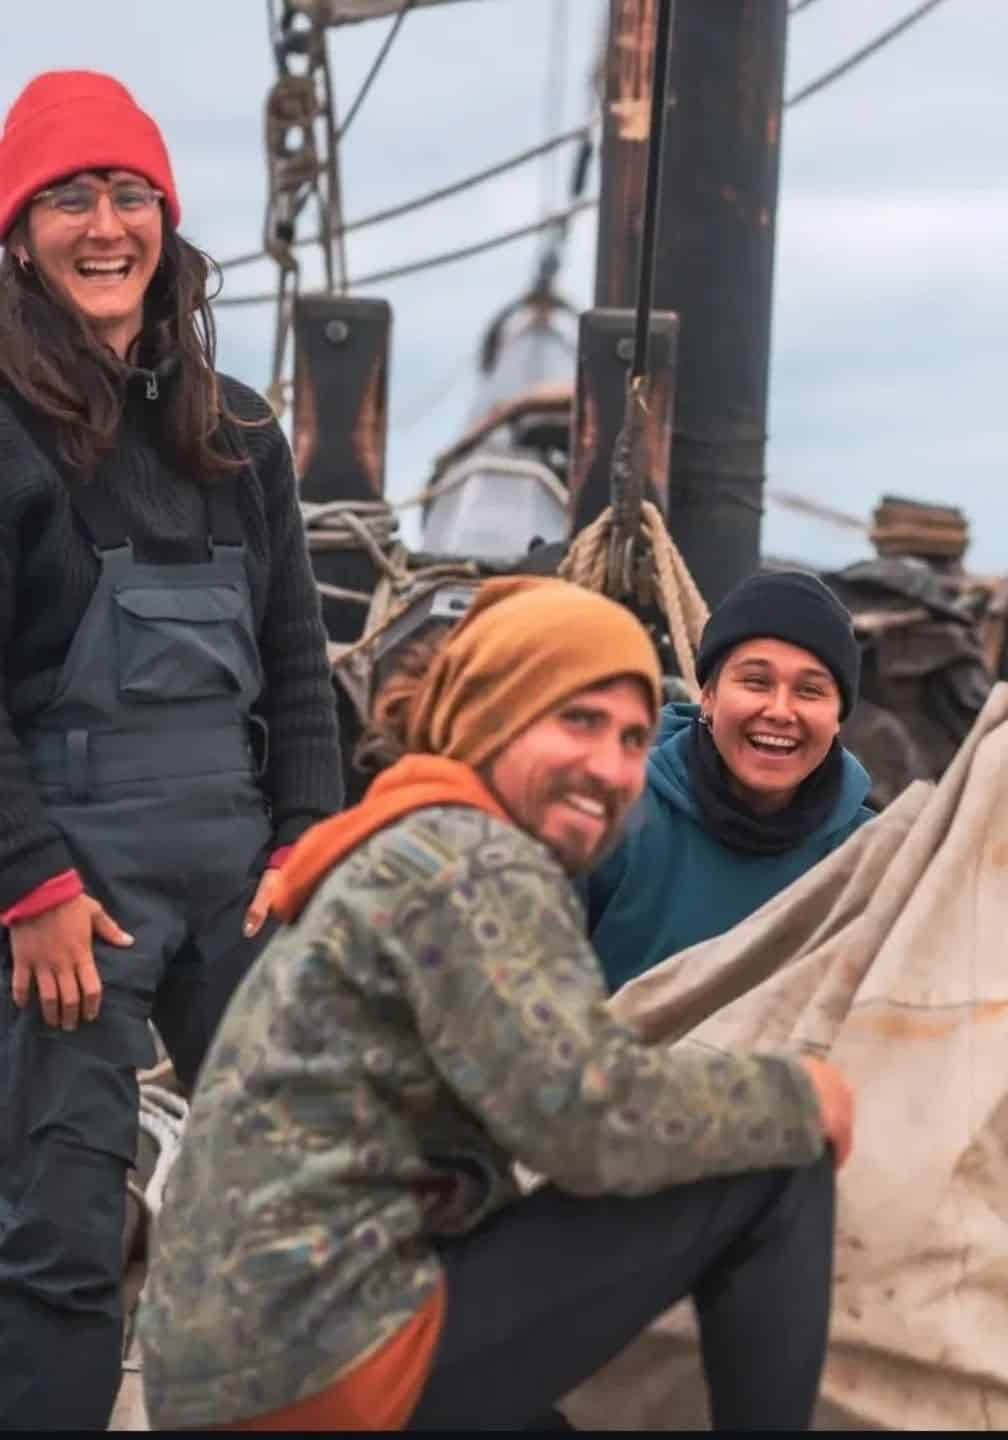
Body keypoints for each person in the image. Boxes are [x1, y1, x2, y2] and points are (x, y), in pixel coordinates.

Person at [137, 576, 854, 1432]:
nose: (610, 765)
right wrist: (801, 1096)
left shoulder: (414, 835)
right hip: (322, 1355)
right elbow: (586, 1117)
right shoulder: (475, 863)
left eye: (630, 738)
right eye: (577, 722)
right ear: (493, 715)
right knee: (780, 1159)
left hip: (242, 1353)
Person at [0, 71, 342, 1428]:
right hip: (74, 897)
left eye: (128, 193)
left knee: (305, 1209)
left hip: (243, 879)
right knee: (60, 1241)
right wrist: (29, 890)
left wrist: (313, 843)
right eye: (68, 196)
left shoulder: (240, 432)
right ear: (18, 231)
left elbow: (302, 665)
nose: (104, 224)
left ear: (166, 220)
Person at [587, 570, 873, 993]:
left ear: (838, 718)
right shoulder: (610, 817)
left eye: (810, 691)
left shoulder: (867, 855)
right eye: (756, 681)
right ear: (708, 695)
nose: (780, 710)